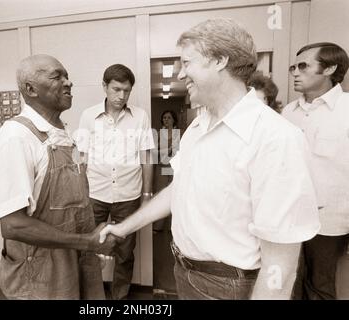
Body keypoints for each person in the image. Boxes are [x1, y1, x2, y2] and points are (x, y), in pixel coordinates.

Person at [99, 19, 321, 300]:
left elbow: (281, 266)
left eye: (187, 62)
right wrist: (122, 228)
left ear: (219, 60)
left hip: (230, 287)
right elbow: (178, 188)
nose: (181, 74)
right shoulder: (198, 126)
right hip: (186, 274)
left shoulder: (275, 138)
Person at [0, 54, 117, 300]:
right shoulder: (16, 136)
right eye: (56, 76)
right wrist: (86, 242)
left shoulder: (63, 134)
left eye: (67, 76)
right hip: (41, 272)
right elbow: (12, 225)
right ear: (30, 89)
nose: (68, 82)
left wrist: (89, 244)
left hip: (77, 261)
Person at [76, 64, 155, 300]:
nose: (121, 96)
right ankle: (93, 298)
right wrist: (82, 193)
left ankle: (119, 298)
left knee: (125, 251)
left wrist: (147, 196)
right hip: (95, 195)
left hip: (129, 196)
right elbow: (81, 158)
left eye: (127, 91)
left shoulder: (140, 116)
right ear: (105, 87)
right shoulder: (88, 116)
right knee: (89, 249)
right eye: (116, 89)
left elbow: (147, 156)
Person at [282, 42, 349, 300]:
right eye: (293, 67)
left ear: (330, 68)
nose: (295, 73)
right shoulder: (289, 112)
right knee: (288, 283)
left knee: (320, 285)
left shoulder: (346, 108)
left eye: (303, 66)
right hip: (290, 217)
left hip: (331, 221)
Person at [153, 110, 180, 232]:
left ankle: (173, 228)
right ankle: (158, 227)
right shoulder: (159, 134)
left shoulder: (179, 133)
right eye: (164, 118)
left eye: (169, 117)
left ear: (174, 119)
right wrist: (167, 149)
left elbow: (179, 151)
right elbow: (153, 152)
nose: (166, 120)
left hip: (174, 168)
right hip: (162, 168)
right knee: (161, 195)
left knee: (175, 196)